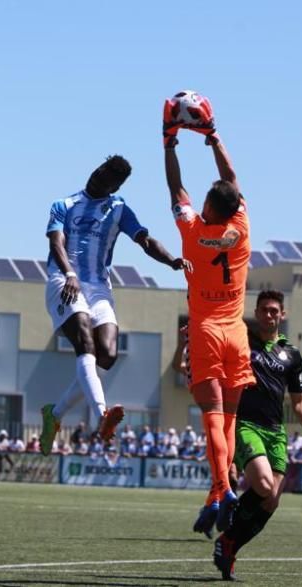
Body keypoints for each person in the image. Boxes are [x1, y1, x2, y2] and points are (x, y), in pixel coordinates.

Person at [39, 155, 186, 455]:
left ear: (114, 185)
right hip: (63, 279)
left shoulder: (118, 209)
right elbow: (56, 243)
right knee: (85, 344)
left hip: (98, 286)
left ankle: (54, 415)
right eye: (96, 172)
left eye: (104, 179)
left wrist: (172, 260)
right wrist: (69, 274)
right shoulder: (63, 205)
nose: (95, 179)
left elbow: (144, 240)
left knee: (107, 354)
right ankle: (103, 415)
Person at [164, 111, 256, 534]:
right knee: (231, 421)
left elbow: (174, 187)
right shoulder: (241, 225)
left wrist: (170, 142)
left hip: (205, 332)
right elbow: (232, 178)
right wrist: (213, 138)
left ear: (207, 207)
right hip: (238, 333)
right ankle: (218, 494)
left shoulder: (191, 229)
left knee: (213, 421)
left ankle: (223, 488)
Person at [211, 292, 302, 580]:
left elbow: (298, 401)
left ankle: (229, 544)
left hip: (276, 432)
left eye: (274, 311)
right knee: (261, 484)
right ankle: (231, 520)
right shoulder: (242, 340)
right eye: (264, 310)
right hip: (246, 424)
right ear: (257, 312)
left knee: (271, 500)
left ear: (282, 314)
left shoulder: (292, 354)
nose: (269, 315)